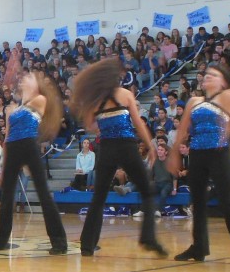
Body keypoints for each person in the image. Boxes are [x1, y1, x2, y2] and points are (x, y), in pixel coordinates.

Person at [70, 58, 167, 257]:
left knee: (98, 198)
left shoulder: (94, 99)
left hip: (106, 148)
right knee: (147, 191)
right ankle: (148, 238)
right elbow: (139, 124)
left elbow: (90, 125)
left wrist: (106, 123)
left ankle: (87, 246)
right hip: (127, 146)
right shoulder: (124, 94)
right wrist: (150, 145)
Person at [168, 65, 230, 264]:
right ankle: (199, 248)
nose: (207, 77)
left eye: (213, 75)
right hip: (197, 154)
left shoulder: (228, 97)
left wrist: (228, 129)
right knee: (197, 203)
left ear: (223, 81)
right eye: (206, 74)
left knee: (228, 202)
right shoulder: (194, 101)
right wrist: (175, 154)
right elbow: (183, 129)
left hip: (218, 153)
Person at [0, 70, 68, 254]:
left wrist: (13, 110)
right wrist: (2, 166)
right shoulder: (13, 108)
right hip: (12, 149)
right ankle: (1, 239)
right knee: (7, 197)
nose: (25, 80)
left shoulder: (40, 100)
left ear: (37, 85)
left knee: (43, 193)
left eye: (29, 78)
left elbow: (26, 114)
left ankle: (59, 241)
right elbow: (6, 138)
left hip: (29, 145)